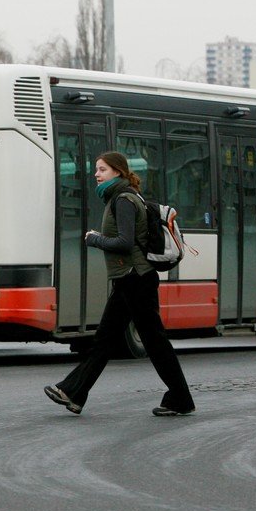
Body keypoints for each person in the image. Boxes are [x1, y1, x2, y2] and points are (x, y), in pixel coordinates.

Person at [44, 152, 196, 417]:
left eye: (102, 169)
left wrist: (95, 238)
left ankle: (181, 399)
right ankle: (74, 393)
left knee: (153, 341)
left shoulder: (123, 199)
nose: (96, 173)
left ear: (117, 171)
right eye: (97, 169)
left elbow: (124, 243)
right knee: (106, 339)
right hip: (130, 278)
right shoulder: (121, 196)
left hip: (135, 278)